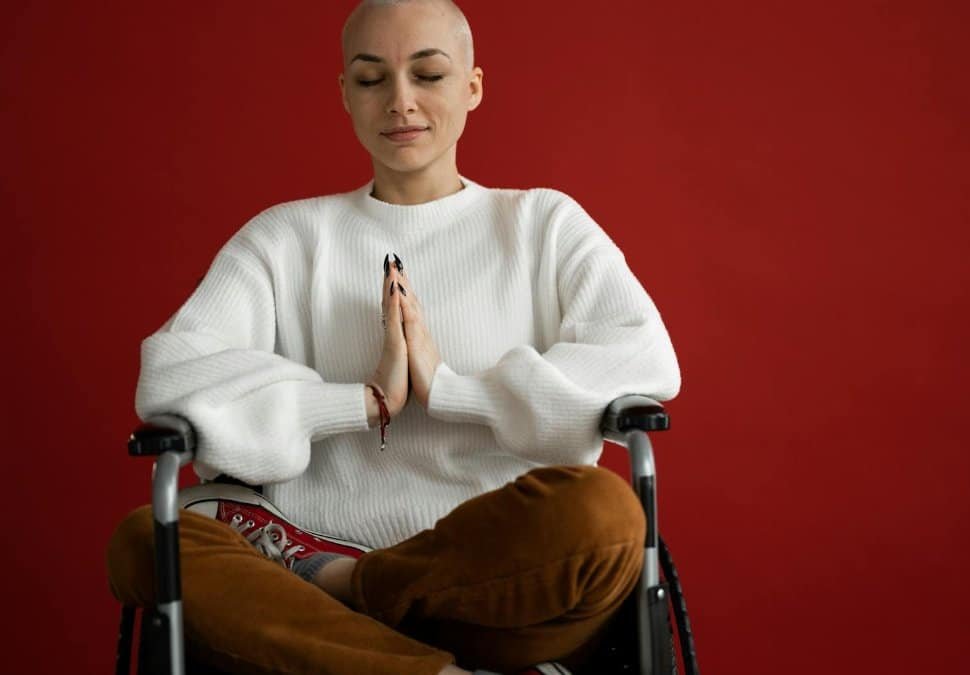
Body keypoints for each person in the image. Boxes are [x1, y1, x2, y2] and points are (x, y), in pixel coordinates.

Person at [104, 1, 682, 674]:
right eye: (372, 79)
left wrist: (457, 391)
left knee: (606, 515)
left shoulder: (542, 224)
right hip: (304, 573)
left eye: (428, 74)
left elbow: (645, 357)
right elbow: (171, 377)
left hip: (490, 592)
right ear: (345, 95)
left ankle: (356, 590)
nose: (400, 101)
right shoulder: (286, 238)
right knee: (147, 538)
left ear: (472, 87)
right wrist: (360, 400)